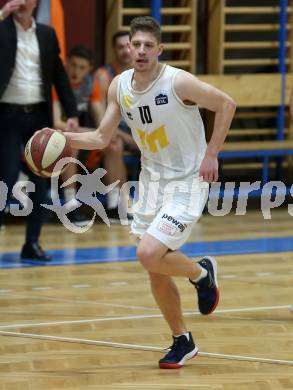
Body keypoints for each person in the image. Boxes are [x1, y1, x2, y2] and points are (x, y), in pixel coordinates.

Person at [43, 16, 236, 368]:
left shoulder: (178, 82)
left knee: (148, 253)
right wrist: (61, 137)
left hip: (187, 181)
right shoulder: (120, 85)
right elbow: (102, 137)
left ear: (159, 50)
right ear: (128, 48)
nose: (142, 51)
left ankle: (201, 273)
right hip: (150, 183)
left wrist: (212, 154)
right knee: (156, 268)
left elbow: (226, 104)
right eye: (137, 45)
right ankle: (183, 339)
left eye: (149, 45)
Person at [0, 0, 78, 260]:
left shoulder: (46, 33)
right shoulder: (2, 28)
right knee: (7, 177)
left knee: (40, 180)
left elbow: (59, 75)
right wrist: (2, 15)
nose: (22, 2)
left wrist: (72, 112)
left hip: (37, 117)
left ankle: (31, 243)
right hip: (7, 116)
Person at [53, 45, 131, 224]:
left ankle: (113, 206)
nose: (76, 71)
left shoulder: (90, 84)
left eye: (82, 67)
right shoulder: (56, 82)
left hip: (78, 133)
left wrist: (106, 134)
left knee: (114, 144)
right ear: (66, 64)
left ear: (89, 69)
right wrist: (96, 134)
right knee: (72, 144)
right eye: (73, 65)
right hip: (51, 140)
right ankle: (71, 206)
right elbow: (57, 122)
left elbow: (101, 119)